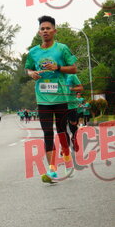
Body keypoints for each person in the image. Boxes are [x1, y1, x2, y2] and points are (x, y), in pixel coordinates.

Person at [25, 15, 78, 183]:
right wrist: (32, 73)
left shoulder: (62, 49)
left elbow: (74, 69)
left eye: (48, 28)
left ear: (54, 31)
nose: (45, 31)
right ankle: (52, 169)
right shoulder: (33, 52)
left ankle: (67, 158)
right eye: (42, 29)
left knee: (61, 131)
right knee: (47, 132)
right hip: (43, 99)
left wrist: (58, 67)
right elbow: (28, 69)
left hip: (60, 97)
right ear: (39, 32)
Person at [64, 73, 83, 152]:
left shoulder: (72, 75)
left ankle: (74, 138)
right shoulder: (56, 75)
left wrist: (72, 89)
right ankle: (65, 144)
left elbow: (80, 87)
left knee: (73, 124)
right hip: (60, 105)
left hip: (71, 105)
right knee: (61, 126)